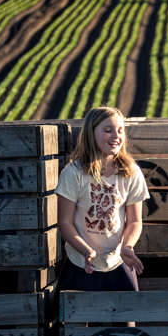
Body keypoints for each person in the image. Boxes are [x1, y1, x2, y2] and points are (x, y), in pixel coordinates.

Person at [56, 106, 147, 291]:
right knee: (75, 316)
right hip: (81, 261)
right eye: (108, 130)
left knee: (127, 316)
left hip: (117, 260)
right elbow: (65, 224)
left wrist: (128, 246)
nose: (116, 135)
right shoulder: (74, 173)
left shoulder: (130, 172)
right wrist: (86, 251)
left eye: (120, 130)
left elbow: (135, 221)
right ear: (91, 133)